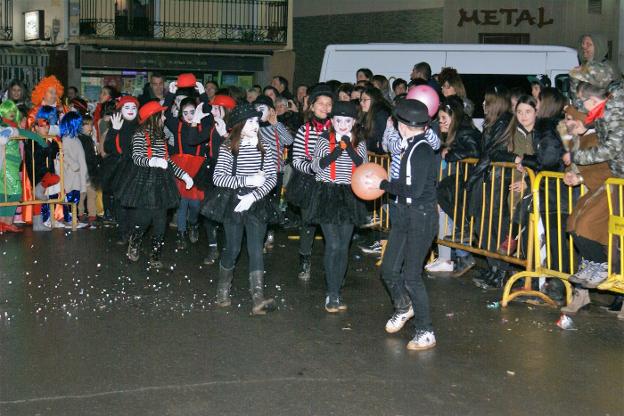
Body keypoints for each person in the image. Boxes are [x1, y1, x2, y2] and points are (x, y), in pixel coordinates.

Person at [364, 99, 439, 351]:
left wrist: (382, 185)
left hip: (421, 216)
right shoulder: (411, 145)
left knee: (412, 276)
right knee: (388, 269)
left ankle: (426, 331)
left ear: (402, 125)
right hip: (404, 214)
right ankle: (403, 307)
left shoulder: (422, 151)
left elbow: (414, 190)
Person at [201, 103, 278, 315]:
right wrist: (248, 179)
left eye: (256, 121)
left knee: (256, 248)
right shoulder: (228, 146)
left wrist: (254, 194)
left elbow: (271, 177)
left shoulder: (265, 146)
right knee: (233, 248)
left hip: (257, 202)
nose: (255, 125)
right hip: (233, 201)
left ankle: (258, 298)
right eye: (250, 122)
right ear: (239, 125)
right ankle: (222, 291)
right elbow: (219, 177)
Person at [562, 62, 624, 314]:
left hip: (618, 177)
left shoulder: (616, 110)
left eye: (583, 102)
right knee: (579, 223)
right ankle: (594, 265)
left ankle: (602, 266)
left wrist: (578, 158)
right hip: (618, 177)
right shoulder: (604, 108)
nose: (582, 109)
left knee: (597, 228)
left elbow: (613, 149)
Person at [119, 101, 194, 269]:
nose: (164, 117)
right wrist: (152, 160)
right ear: (153, 117)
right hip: (144, 182)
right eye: (161, 114)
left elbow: (167, 161)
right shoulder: (139, 135)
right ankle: (135, 241)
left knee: (161, 221)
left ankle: (155, 253)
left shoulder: (160, 136)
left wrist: (185, 176)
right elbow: (137, 157)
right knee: (144, 219)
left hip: (162, 183)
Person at [308, 101, 367, 311]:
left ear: (354, 122)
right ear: (332, 121)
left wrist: (348, 147)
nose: (343, 124)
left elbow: (363, 166)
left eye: (347, 120)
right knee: (332, 245)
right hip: (327, 193)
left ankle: (336, 288)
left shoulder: (359, 142)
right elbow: (315, 166)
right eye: (338, 120)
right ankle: (331, 294)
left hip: (350, 195)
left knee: (343, 246)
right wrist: (335, 150)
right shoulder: (324, 139)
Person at [285, 84, 333, 281]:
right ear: (311, 106)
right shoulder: (304, 130)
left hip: (333, 184)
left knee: (331, 226)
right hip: (310, 183)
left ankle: (334, 266)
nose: (324, 107)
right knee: (309, 224)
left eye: (328, 104)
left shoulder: (339, 128)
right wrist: (314, 168)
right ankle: (304, 260)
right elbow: (296, 160)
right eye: (320, 103)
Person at [468, 86, 514, 289]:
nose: (483, 105)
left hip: (497, 182)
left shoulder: (503, 123)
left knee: (494, 226)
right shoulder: (492, 124)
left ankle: (500, 270)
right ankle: (494, 267)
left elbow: (492, 153)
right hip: (489, 180)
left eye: (487, 102)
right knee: (484, 226)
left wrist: (474, 175)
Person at [428, 96, 480, 274]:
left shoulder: (464, 131)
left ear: (454, 117)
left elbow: (474, 150)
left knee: (452, 212)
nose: (441, 122)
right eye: (440, 118)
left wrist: (451, 154)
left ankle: (461, 254)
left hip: (468, 182)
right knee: (449, 215)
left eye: (444, 119)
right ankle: (459, 255)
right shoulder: (457, 132)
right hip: (459, 183)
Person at [163, 74, 211, 250]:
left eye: (193, 112)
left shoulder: (203, 125)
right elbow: (165, 113)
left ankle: (193, 224)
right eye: (186, 112)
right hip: (180, 167)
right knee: (182, 204)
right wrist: (170, 94)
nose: (190, 115)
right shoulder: (177, 125)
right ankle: (181, 233)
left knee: (196, 204)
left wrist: (203, 93)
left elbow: (209, 113)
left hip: (198, 168)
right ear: (181, 114)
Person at [254, 95, 294, 250]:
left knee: (272, 205)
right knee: (258, 204)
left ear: (271, 110)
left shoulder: (277, 125)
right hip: (257, 173)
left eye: (262, 108)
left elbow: (289, 141)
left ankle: (269, 232)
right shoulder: (252, 124)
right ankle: (259, 235)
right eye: (257, 108)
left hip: (275, 172)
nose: (259, 111)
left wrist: (276, 124)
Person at [100, 95, 140, 243]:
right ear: (120, 110)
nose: (130, 110)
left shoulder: (141, 126)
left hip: (137, 170)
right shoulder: (116, 125)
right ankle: (125, 234)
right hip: (119, 170)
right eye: (126, 107)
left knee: (135, 204)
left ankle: (134, 234)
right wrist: (114, 131)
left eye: (133, 107)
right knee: (120, 203)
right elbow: (108, 148)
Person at [60, 111, 89, 228]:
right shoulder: (67, 139)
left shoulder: (75, 139)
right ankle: (69, 219)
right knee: (71, 197)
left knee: (75, 198)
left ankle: (74, 218)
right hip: (71, 174)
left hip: (77, 175)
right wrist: (74, 165)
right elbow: (64, 154)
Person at [76, 114, 100, 227]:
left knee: (91, 193)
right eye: (86, 124)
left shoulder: (88, 138)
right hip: (84, 169)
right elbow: (87, 156)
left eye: (91, 124)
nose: (89, 127)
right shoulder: (81, 139)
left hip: (90, 169)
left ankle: (92, 214)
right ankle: (81, 213)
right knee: (83, 193)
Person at [358, 86, 392, 154]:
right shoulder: (367, 114)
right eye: (360, 100)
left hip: (381, 159)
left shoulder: (381, 114)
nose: (361, 103)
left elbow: (381, 143)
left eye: (364, 100)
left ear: (374, 99)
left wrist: (367, 148)